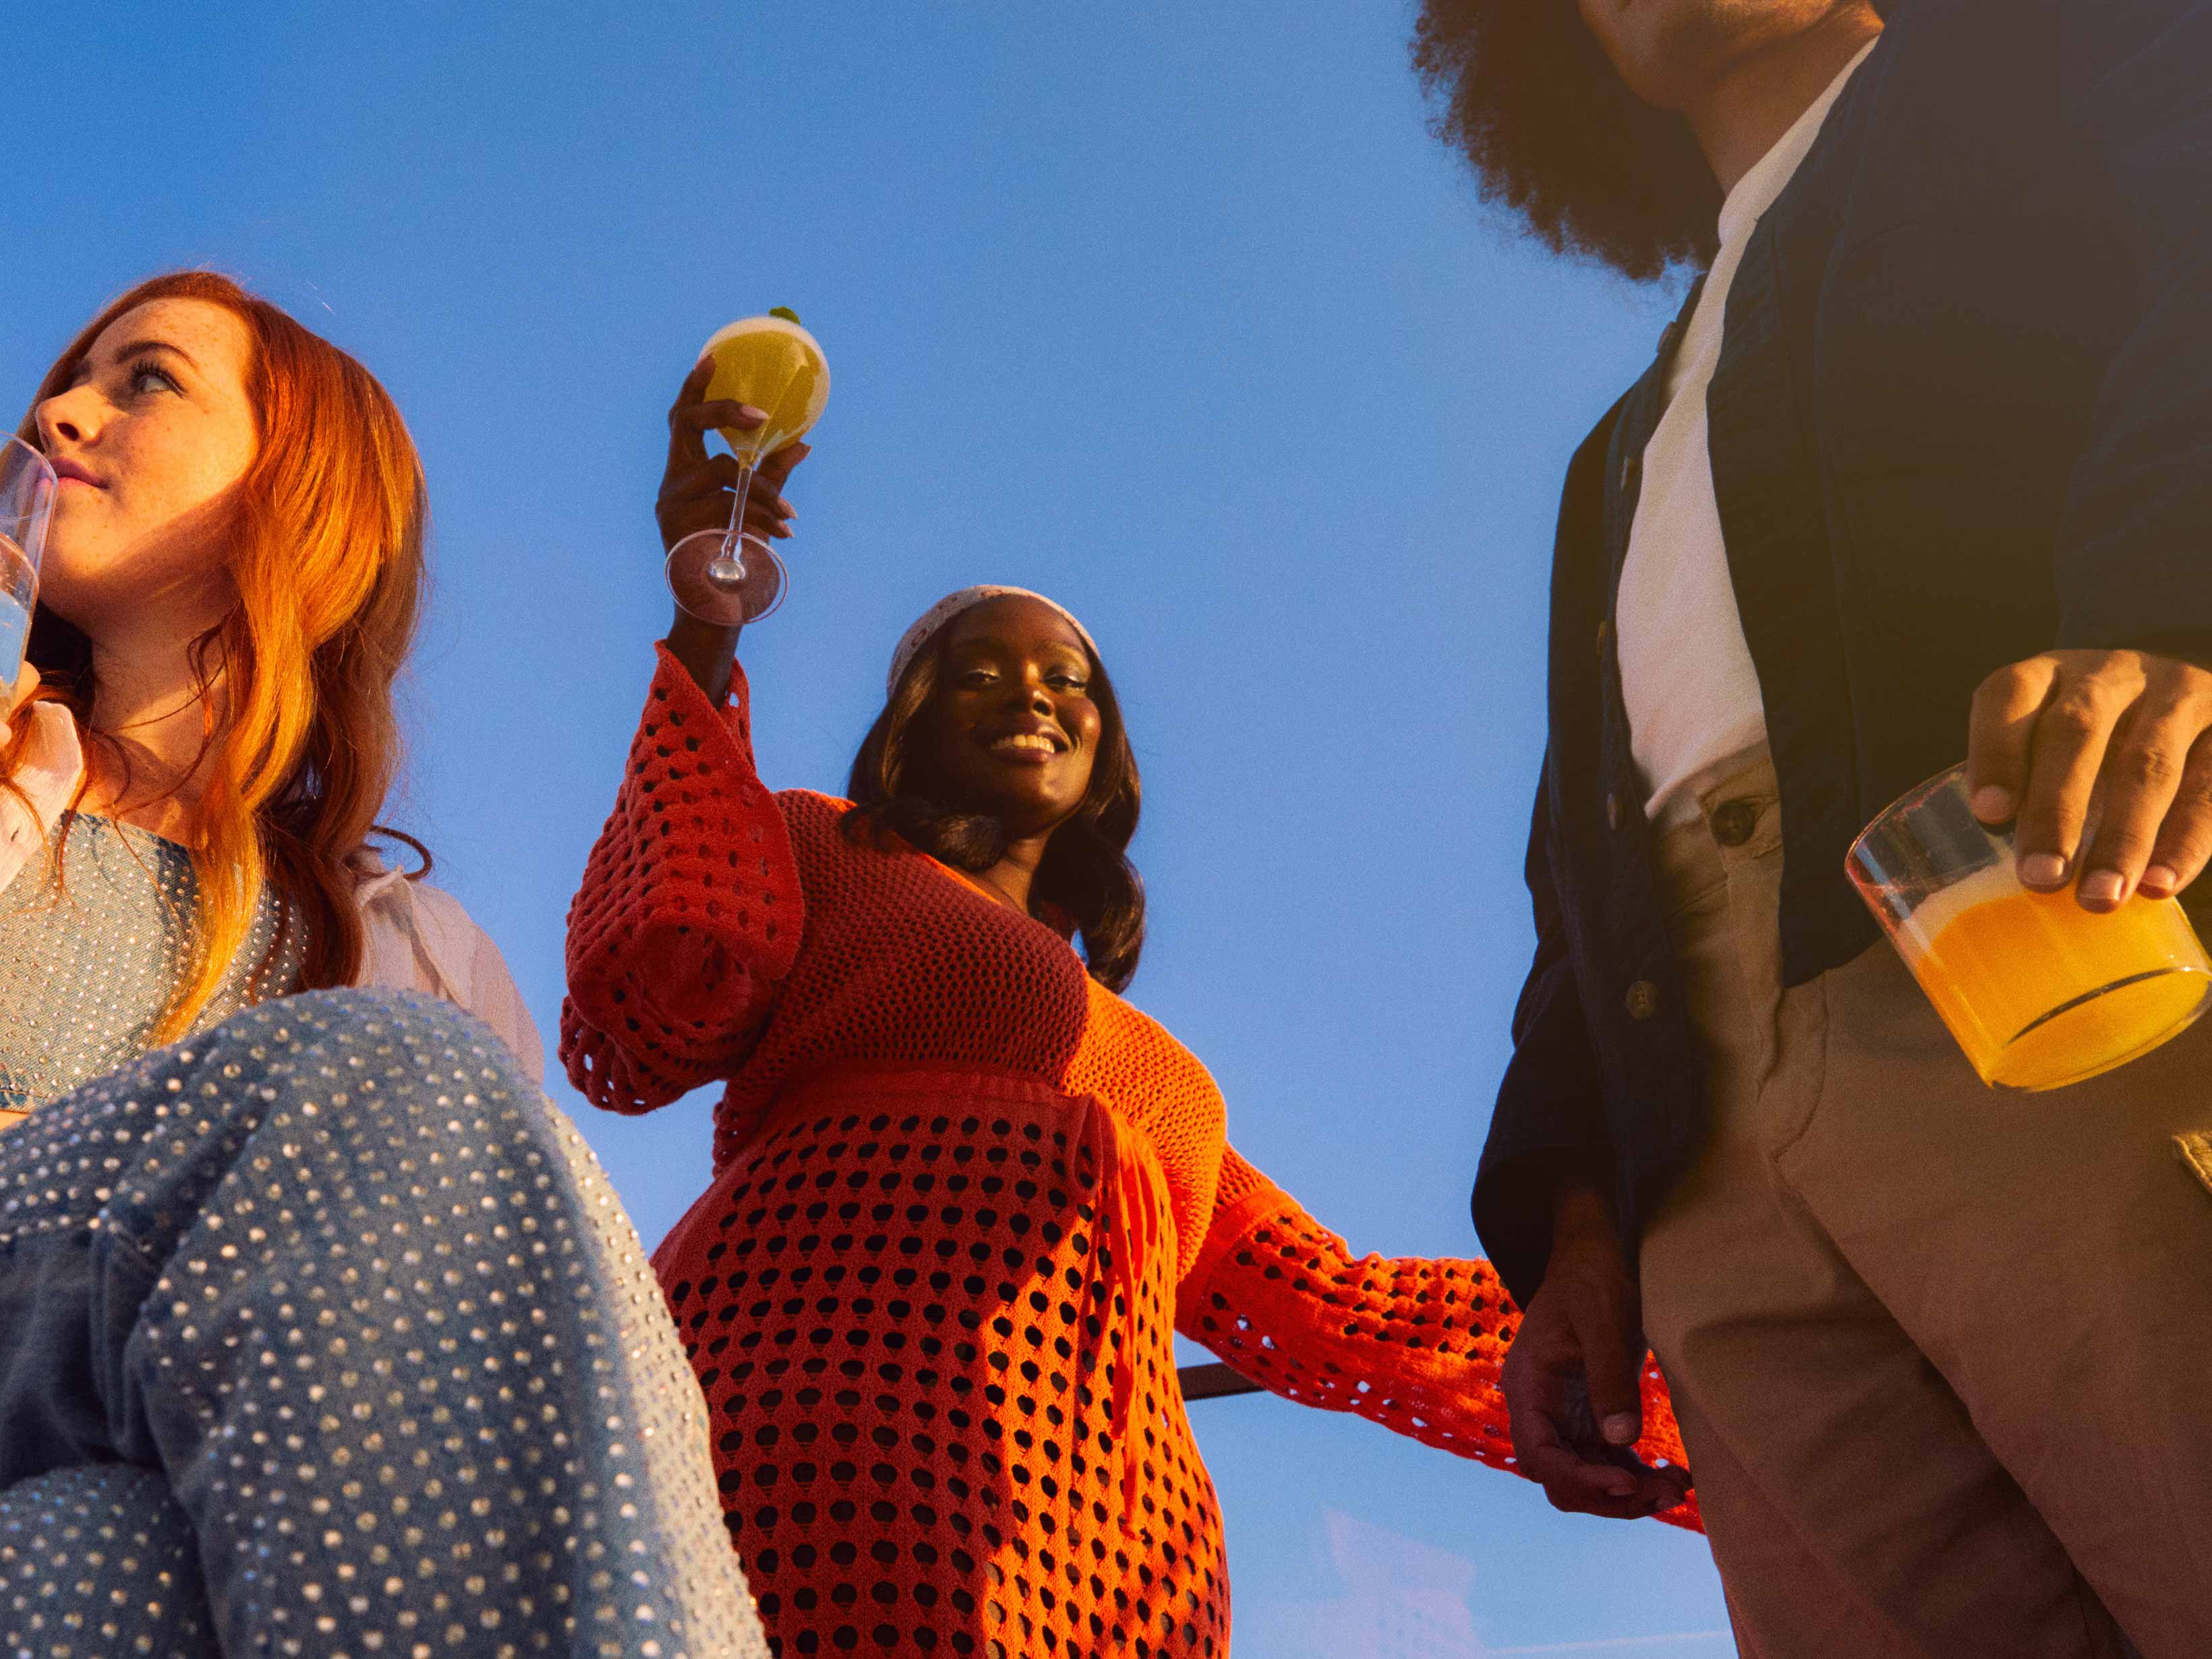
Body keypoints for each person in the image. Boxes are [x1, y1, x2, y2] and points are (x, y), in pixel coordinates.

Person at [559, 367, 1696, 1659]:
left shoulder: (1163, 1076)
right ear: (910, 727)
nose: (1033, 693)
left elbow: (1339, 1308)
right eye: (977, 671)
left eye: (1069, 680)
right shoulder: (820, 846)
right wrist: (708, 630)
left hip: (1115, 1533)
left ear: (1106, 746)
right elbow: (651, 989)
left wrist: (1681, 1357)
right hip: (819, 1411)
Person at [1412, 1, 2212, 1653]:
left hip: (2056, 939)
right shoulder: (1608, 458)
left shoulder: (2061, 59)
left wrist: (2171, 614)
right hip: (1708, 1167)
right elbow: (1580, 864)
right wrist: (1574, 1209)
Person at [0, 271, 767, 1657]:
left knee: (97, 1567)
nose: (55, 413)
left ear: (300, 495)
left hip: (111, 1485)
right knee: (393, 1085)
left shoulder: (407, 948)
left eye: (144, 380)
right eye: (71, 381)